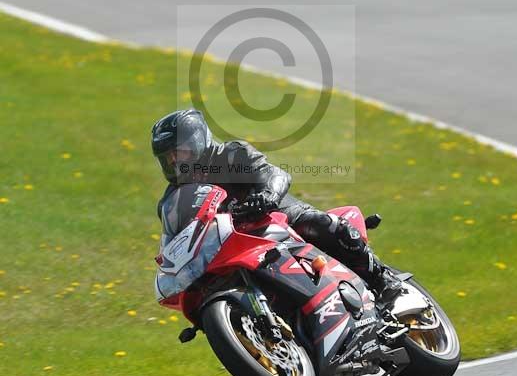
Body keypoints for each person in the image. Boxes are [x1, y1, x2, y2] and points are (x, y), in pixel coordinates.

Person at [152, 109, 403, 304]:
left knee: (317, 225)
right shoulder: (173, 198)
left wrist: (267, 195)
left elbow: (275, 174)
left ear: (197, 142)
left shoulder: (230, 154)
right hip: (234, 246)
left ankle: (382, 278)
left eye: (179, 153)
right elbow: (179, 238)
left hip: (274, 217)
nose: (174, 162)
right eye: (168, 158)